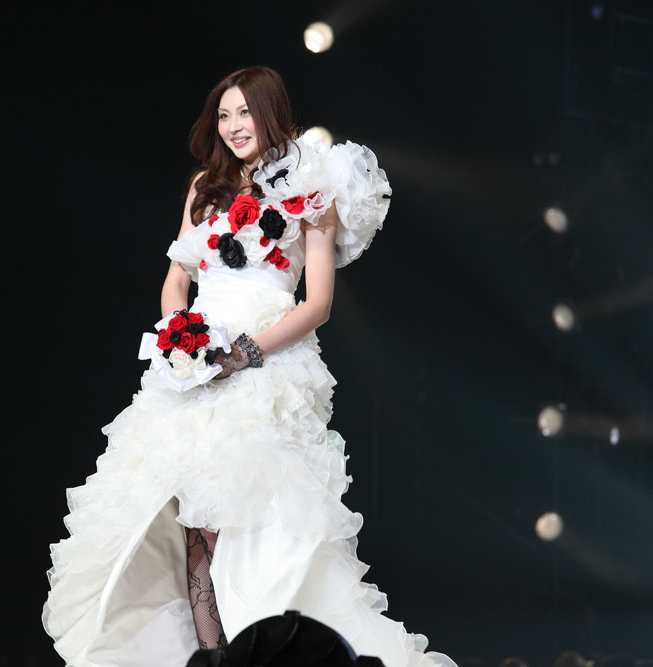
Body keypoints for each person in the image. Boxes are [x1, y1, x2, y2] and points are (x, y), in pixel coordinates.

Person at [42, 66, 455, 667]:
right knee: (188, 522)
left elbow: (318, 303)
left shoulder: (313, 185)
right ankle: (213, 657)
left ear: (272, 113)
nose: (234, 126)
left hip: (265, 367)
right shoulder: (204, 186)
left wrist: (244, 353)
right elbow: (176, 280)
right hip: (192, 371)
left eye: (244, 113)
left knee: (243, 523)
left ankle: (261, 650)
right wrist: (179, 339)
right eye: (223, 115)